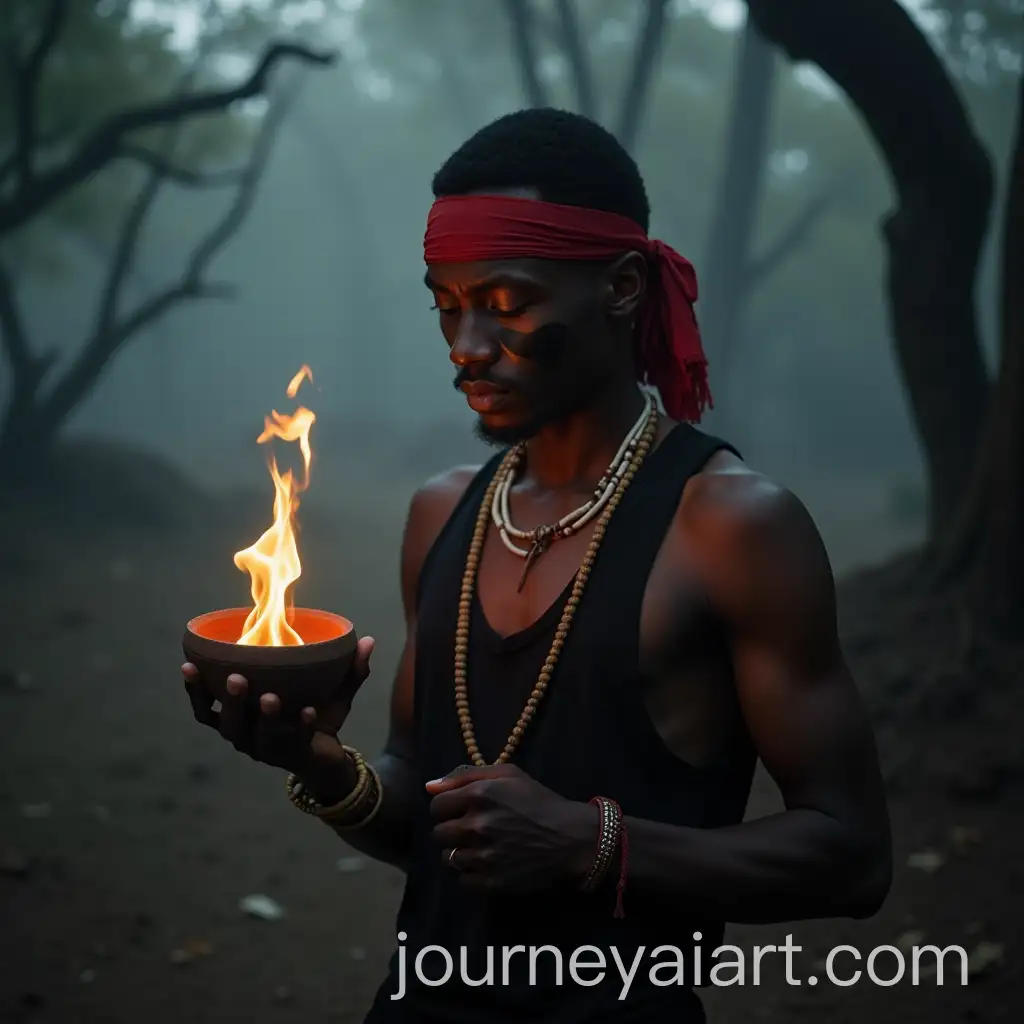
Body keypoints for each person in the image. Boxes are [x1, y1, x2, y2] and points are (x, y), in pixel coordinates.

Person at [183, 107, 891, 1022]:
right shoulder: (443, 512)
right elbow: (431, 818)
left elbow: (855, 855)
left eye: (507, 305)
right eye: (447, 306)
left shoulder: (731, 528)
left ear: (625, 287)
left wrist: (592, 845)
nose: (467, 347)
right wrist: (318, 763)